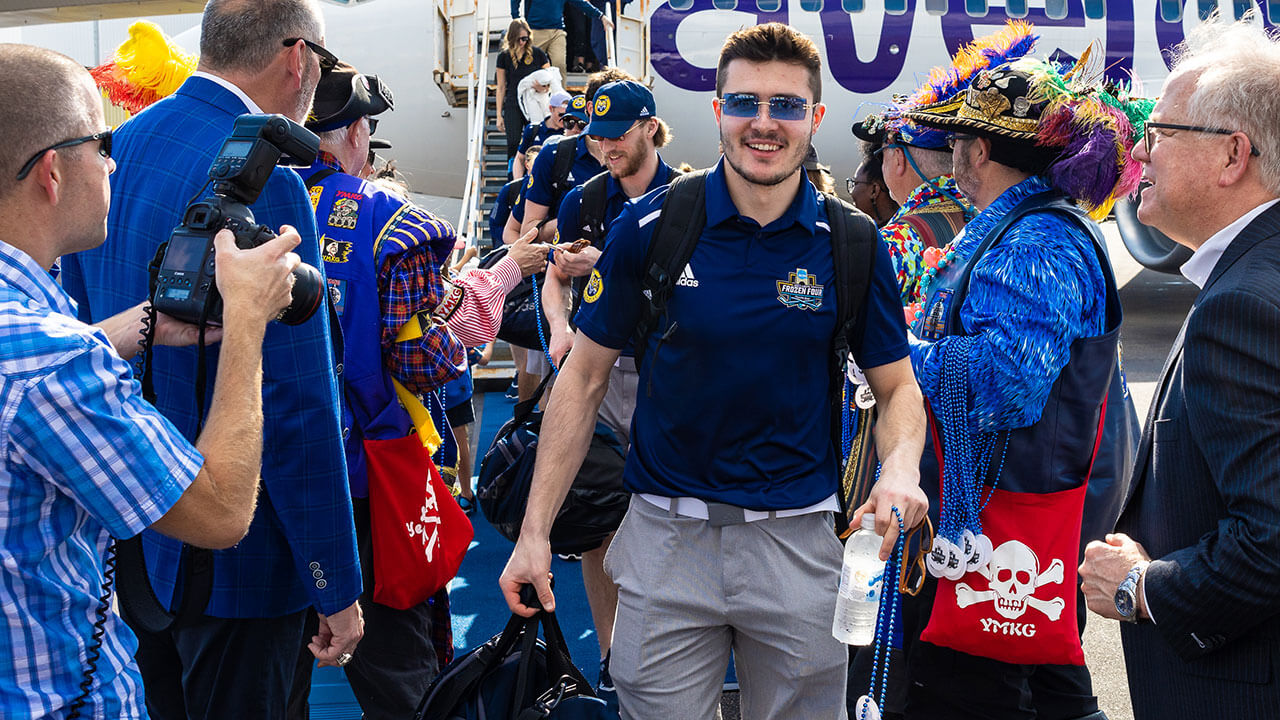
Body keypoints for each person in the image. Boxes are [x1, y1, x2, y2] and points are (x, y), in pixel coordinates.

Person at [501, 23, 928, 718]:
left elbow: (896, 385)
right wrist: (535, 533)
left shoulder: (852, 242)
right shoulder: (651, 228)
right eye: (745, 103)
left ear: (815, 117)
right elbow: (581, 380)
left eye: (786, 106)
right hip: (667, 543)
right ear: (717, 111)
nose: (764, 123)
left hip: (797, 544)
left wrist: (900, 469)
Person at [57, 2, 364, 717]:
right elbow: (294, 402)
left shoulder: (116, 148)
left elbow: (82, 328)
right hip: (238, 561)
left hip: (131, 544)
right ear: (298, 58)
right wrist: (335, 582)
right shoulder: (275, 182)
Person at [0, 44, 304, 720]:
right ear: (51, 172)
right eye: (100, 143)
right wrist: (249, 319)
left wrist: (143, 325)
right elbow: (222, 512)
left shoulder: (34, 343)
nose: (112, 161)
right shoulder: (52, 362)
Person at [289, 61, 549, 719]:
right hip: (364, 479)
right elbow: (422, 359)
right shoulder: (392, 222)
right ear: (352, 132)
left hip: (262, 473)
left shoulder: (250, 202)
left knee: (269, 676)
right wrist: (476, 302)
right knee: (407, 680)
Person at [892, 53, 1149, 719]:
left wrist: (895, 355)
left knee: (975, 693)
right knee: (1046, 686)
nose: (950, 158)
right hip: (1021, 510)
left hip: (1001, 519)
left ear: (976, 150)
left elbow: (1007, 385)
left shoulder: (1031, 241)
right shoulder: (1037, 224)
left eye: (953, 142)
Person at [1078, 16, 1280, 719]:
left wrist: (1140, 587)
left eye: (1161, 132)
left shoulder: (1243, 306)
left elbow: (1272, 539)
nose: (1139, 149)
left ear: (1233, 155)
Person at [539, 78, 678, 697]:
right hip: (599, 370)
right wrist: (560, 326)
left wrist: (601, 265)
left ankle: (673, 649)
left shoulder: (688, 197)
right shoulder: (584, 198)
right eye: (597, 137)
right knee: (601, 518)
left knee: (671, 513)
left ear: (650, 125)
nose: (606, 148)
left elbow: (687, 284)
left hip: (667, 372)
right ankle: (612, 654)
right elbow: (551, 281)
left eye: (618, 134)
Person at [851, 113, 971, 305]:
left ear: (899, 158)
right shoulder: (986, 216)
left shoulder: (898, 239)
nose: (882, 166)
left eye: (882, 155)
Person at [496, 18, 551, 170]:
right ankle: (512, 175)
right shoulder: (504, 57)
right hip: (513, 103)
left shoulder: (538, 54)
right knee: (513, 142)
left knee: (534, 141)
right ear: (512, 38)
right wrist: (499, 115)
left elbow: (550, 78)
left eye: (526, 39)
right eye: (520, 39)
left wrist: (543, 88)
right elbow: (501, 87)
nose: (523, 42)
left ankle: (534, 172)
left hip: (533, 102)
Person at [512, 0, 613, 80]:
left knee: (559, 65)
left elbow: (580, 3)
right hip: (535, 31)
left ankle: (561, 100)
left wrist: (601, 16)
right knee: (530, 67)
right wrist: (517, 21)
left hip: (557, 31)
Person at [515, 90, 569, 179]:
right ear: (551, 109)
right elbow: (520, 158)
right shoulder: (534, 130)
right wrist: (517, 183)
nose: (564, 119)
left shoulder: (571, 131)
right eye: (561, 115)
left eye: (567, 116)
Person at [847, 138, 899, 227]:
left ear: (874, 190)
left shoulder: (886, 237)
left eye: (855, 183)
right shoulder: (906, 228)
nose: (852, 193)